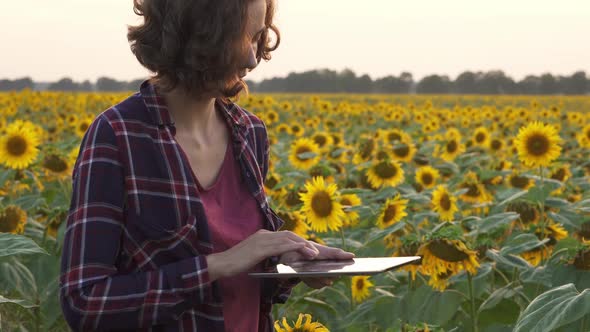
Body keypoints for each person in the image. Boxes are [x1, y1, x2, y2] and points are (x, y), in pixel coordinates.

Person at [58, 0, 355, 331]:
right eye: (237, 38)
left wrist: (287, 264)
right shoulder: (118, 135)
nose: (252, 58)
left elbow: (241, 283)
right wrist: (216, 266)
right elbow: (83, 302)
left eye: (257, 37)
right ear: (192, 35)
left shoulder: (250, 133)